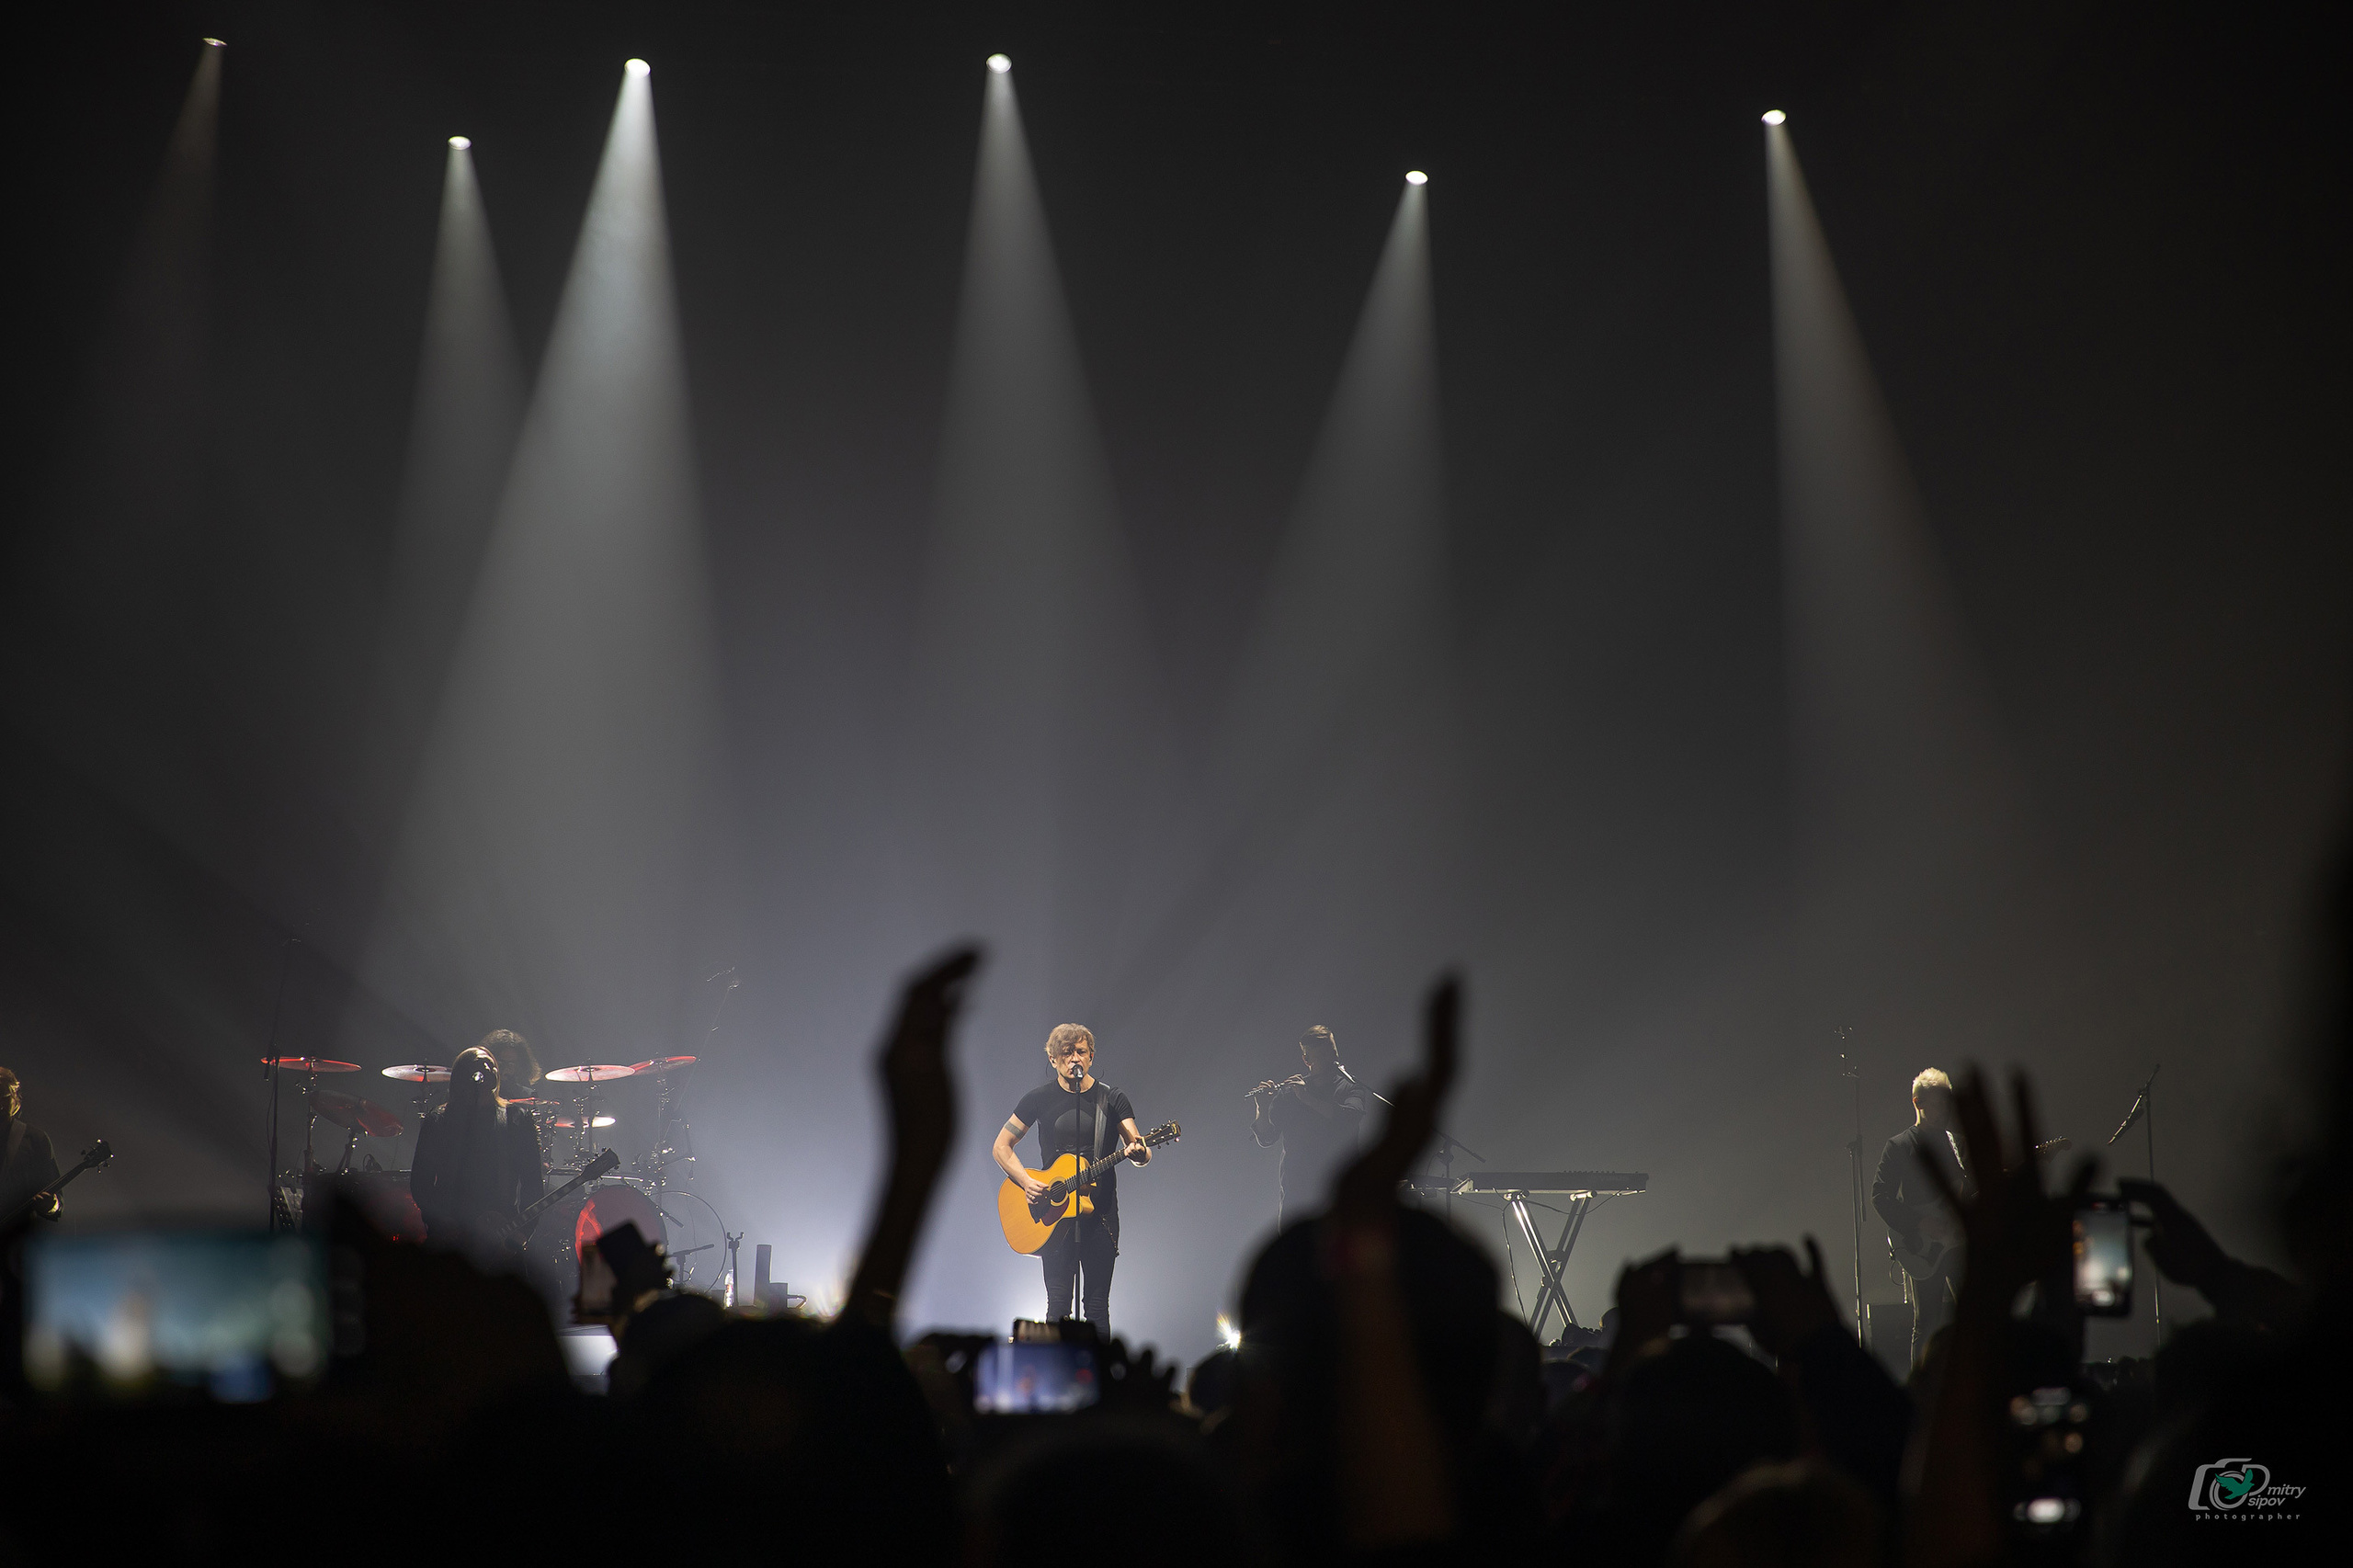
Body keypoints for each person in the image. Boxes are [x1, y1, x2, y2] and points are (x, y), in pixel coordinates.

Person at [991, 1024, 1153, 1334]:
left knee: (1097, 1306)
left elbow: (1140, 1151)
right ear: (1053, 1059)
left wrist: (1140, 1152)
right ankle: (1055, 1365)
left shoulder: (1112, 1098)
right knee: (1058, 1305)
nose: (1074, 1058)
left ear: (1091, 1056)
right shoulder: (1037, 1099)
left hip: (1100, 1213)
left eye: (1081, 1052)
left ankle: (1099, 1367)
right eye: (1066, 1053)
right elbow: (1001, 1146)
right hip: (1052, 1215)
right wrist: (1026, 1182)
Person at [1872, 1067, 1972, 1364]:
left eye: (1947, 1104)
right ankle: (1922, 1386)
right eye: (1938, 1104)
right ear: (1918, 1102)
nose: (1945, 1111)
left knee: (1973, 1316)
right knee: (1926, 1323)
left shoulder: (1957, 1144)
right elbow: (1880, 1196)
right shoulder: (1899, 1146)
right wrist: (1920, 1222)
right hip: (1924, 1248)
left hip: (1958, 1242)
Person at [410, 1044, 544, 1256]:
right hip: (450, 1236)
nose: (488, 1069)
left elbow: (533, 1183)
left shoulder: (517, 1119)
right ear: (463, 1076)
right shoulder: (439, 1120)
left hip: (501, 1234)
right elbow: (420, 1181)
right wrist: (439, 1222)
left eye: (491, 1064)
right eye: (479, 1065)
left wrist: (524, 1231)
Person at [1249, 1024, 1370, 1224]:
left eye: (1332, 1052)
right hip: (1298, 1198)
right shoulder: (1289, 1095)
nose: (1331, 1059)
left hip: (1340, 1195)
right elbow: (1267, 1138)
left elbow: (1349, 1118)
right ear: (1306, 1060)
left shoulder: (1350, 1088)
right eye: (1322, 1056)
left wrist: (1307, 1098)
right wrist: (1262, 1108)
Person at [0, 1066, 63, 1224]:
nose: (0, 1106)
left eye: (4, 1097)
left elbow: (56, 1201)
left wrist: (51, 1206)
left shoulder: (35, 1140)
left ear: (15, 1097)